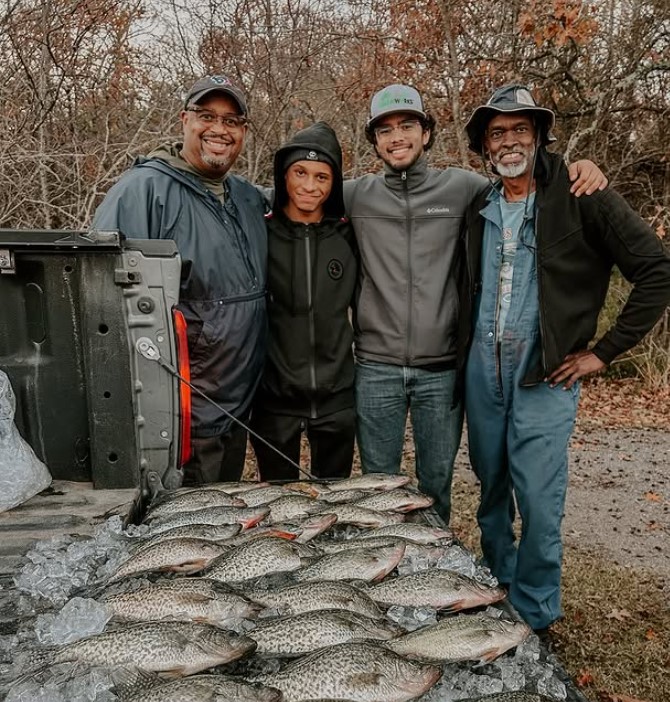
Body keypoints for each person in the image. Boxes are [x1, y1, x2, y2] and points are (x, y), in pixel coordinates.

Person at [343, 84, 605, 524]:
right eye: (385, 130)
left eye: (407, 125)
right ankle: (383, 575)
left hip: (442, 369)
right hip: (376, 368)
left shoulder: (464, 188)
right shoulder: (356, 195)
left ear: (426, 132)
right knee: (376, 485)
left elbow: (523, 182)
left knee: (435, 483)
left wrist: (580, 168)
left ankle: (435, 576)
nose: (397, 137)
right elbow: (292, 192)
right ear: (374, 141)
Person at [462, 83, 670, 633]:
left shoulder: (582, 196)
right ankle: (497, 584)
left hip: (545, 373)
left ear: (540, 137)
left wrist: (602, 354)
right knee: (491, 483)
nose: (509, 142)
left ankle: (533, 611)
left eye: (520, 130)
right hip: (483, 369)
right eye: (497, 133)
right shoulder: (478, 207)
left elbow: (656, 270)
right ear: (485, 147)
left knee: (537, 496)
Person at [91, 74, 268, 485]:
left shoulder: (245, 197)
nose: (219, 130)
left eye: (232, 120)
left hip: (238, 403)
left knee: (227, 518)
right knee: (191, 528)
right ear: (184, 120)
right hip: (184, 410)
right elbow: (102, 299)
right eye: (207, 116)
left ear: (242, 131)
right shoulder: (143, 191)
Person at [250, 122, 358, 480]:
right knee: (280, 501)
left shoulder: (347, 234)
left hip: (336, 396)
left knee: (332, 500)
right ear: (284, 175)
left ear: (334, 184)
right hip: (275, 398)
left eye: (322, 177)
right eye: (300, 172)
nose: (310, 186)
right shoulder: (260, 233)